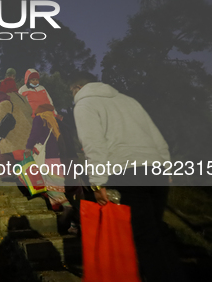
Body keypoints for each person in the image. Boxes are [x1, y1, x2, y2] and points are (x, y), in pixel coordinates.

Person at [70, 72, 185, 282]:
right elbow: (157, 137)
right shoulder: (129, 101)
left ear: (78, 88)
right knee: (156, 232)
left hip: (125, 171)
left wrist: (97, 183)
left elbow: (94, 145)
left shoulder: (85, 105)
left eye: (72, 92)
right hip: (155, 170)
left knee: (143, 238)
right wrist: (167, 169)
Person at [25, 104, 77, 233]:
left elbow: (34, 134)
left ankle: (66, 207)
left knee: (49, 186)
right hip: (58, 159)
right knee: (57, 185)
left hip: (45, 159)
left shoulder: (40, 119)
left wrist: (28, 147)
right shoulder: (56, 121)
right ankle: (72, 224)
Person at [0, 79, 32, 167]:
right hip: (29, 128)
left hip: (15, 129)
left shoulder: (6, 98)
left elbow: (2, 116)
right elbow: (30, 111)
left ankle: (7, 172)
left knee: (2, 147)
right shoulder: (22, 97)